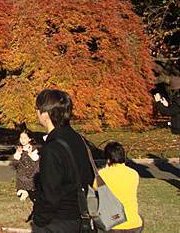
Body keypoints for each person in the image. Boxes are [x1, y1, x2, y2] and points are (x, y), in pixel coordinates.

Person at [31, 89, 94, 232]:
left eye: (37, 109)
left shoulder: (52, 148)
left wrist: (39, 220)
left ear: (45, 114)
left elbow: (50, 195)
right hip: (79, 215)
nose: (36, 113)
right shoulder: (77, 138)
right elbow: (88, 176)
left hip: (57, 221)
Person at [96, 142, 143, 232]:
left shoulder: (102, 174)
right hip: (134, 224)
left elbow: (94, 188)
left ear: (108, 159)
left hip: (113, 223)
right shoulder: (133, 173)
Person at [12, 126, 40, 202]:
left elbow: (36, 160)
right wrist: (18, 153)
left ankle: (28, 191)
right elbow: (15, 163)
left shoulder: (32, 148)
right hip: (22, 173)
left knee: (30, 182)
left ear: (29, 139)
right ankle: (23, 190)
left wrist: (30, 154)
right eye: (21, 138)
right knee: (21, 178)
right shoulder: (19, 148)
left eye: (25, 138)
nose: (23, 140)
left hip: (31, 172)